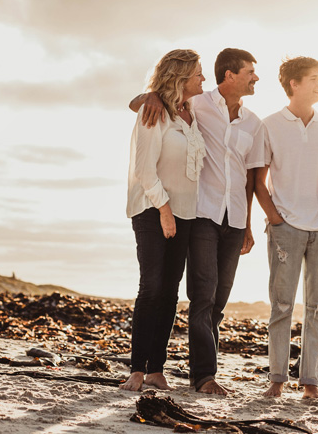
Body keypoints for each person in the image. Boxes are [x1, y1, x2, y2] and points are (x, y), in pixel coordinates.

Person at [130, 48, 264, 395]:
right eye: (250, 71)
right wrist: (152, 95)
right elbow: (143, 120)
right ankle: (169, 373)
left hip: (211, 215)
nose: (203, 80)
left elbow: (249, 178)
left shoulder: (225, 117)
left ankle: (165, 370)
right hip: (179, 212)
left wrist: (248, 223)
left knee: (195, 295)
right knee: (174, 290)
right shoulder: (180, 105)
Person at [255, 57, 318, 400]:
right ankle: (277, 379)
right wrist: (275, 218)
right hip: (285, 227)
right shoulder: (269, 125)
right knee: (282, 305)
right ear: (294, 83)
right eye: (314, 79)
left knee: (317, 307)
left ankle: (310, 383)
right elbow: (257, 181)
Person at [122, 49, 207, 392]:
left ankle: (157, 370)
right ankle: (137, 370)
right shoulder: (153, 110)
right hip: (152, 209)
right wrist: (165, 210)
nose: (204, 79)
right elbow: (144, 169)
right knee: (152, 287)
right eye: (199, 73)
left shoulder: (192, 111)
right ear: (181, 76)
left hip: (187, 212)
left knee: (170, 293)